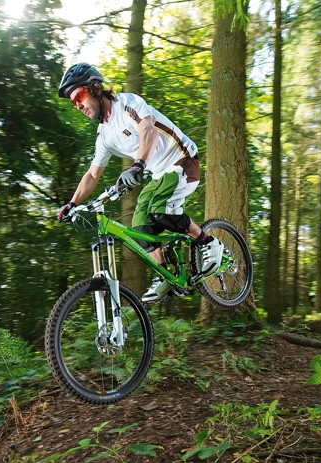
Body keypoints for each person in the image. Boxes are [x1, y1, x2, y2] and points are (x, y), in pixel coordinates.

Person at [57, 62, 224, 303]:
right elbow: (93, 175)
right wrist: (72, 203)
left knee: (155, 206)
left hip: (182, 161)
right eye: (73, 103)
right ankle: (167, 276)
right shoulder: (103, 135)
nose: (78, 105)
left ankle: (208, 242)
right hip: (159, 175)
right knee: (139, 224)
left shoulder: (127, 104)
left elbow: (148, 130)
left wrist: (138, 164)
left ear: (95, 88)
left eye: (79, 97)